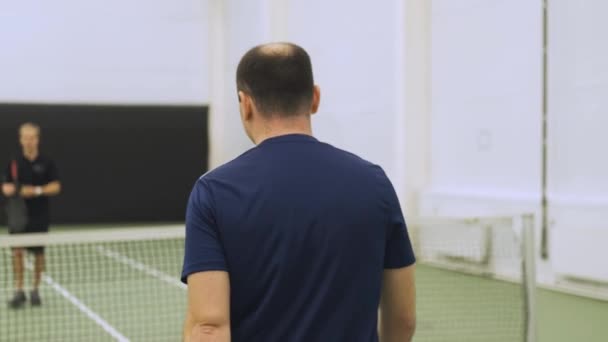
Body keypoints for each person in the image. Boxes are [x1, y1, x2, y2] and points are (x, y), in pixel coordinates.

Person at [181, 43, 416, 342]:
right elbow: (404, 319)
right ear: (315, 98)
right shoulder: (375, 183)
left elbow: (209, 327)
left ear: (245, 103)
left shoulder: (213, 192)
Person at [2, 122, 61, 308]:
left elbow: (56, 186)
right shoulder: (13, 163)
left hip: (39, 215)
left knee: (39, 255)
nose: (29, 141)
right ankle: (19, 291)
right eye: (25, 137)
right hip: (18, 216)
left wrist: (35, 191)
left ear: (37, 139)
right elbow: (5, 187)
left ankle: (35, 290)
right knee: (17, 253)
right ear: (20, 140)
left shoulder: (47, 162)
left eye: (32, 137)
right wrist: (12, 190)